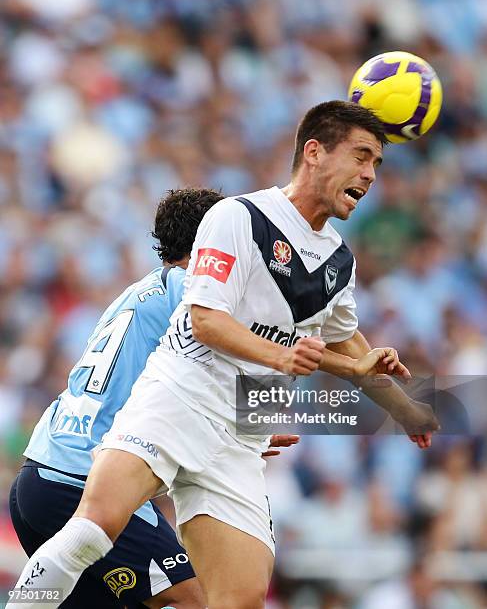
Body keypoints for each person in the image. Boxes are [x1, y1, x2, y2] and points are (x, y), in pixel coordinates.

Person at [8, 101, 439, 609]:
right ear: (314, 152)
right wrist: (285, 361)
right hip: (174, 401)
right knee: (99, 535)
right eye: (362, 156)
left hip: (232, 439)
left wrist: (405, 407)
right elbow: (207, 321)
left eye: (378, 164)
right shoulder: (239, 217)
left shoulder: (338, 259)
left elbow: (349, 343)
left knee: (236, 599)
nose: (370, 174)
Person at [9, 188, 223, 609]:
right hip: (86, 482)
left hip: (39, 479)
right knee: (196, 599)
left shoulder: (137, 294)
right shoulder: (190, 291)